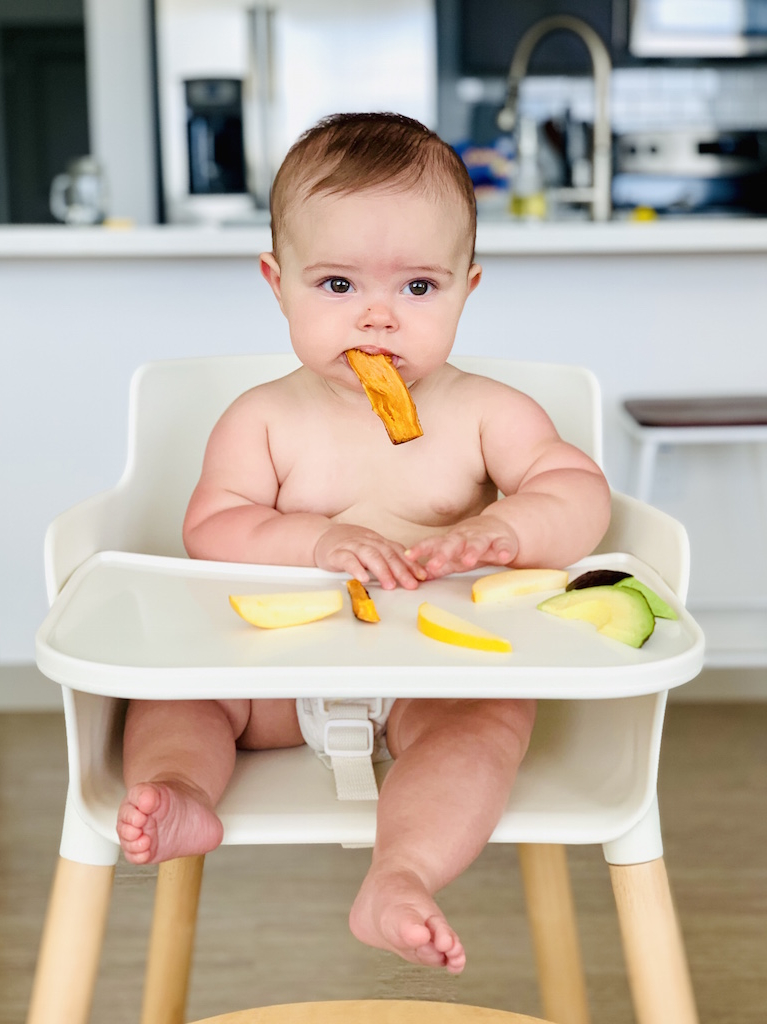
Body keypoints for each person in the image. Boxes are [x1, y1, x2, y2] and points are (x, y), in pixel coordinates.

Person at [117, 112, 611, 974]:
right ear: (278, 283)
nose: (377, 319)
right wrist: (317, 540)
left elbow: (578, 493)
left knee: (486, 730)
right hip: (275, 679)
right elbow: (213, 526)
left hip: (437, 673)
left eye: (418, 289)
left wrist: (507, 527)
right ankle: (185, 793)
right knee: (175, 701)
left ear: (468, 286)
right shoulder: (263, 419)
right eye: (338, 285)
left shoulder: (490, 414)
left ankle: (402, 873)